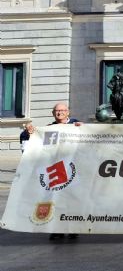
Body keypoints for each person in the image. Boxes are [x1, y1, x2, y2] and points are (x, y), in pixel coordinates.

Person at [20, 103, 82, 241]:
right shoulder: (49, 129)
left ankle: (73, 229)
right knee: (55, 201)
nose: (59, 113)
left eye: (62, 110)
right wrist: (28, 132)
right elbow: (29, 140)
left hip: (73, 170)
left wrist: (84, 128)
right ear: (53, 113)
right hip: (56, 171)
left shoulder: (76, 126)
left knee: (71, 201)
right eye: (57, 111)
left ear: (68, 112)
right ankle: (57, 230)